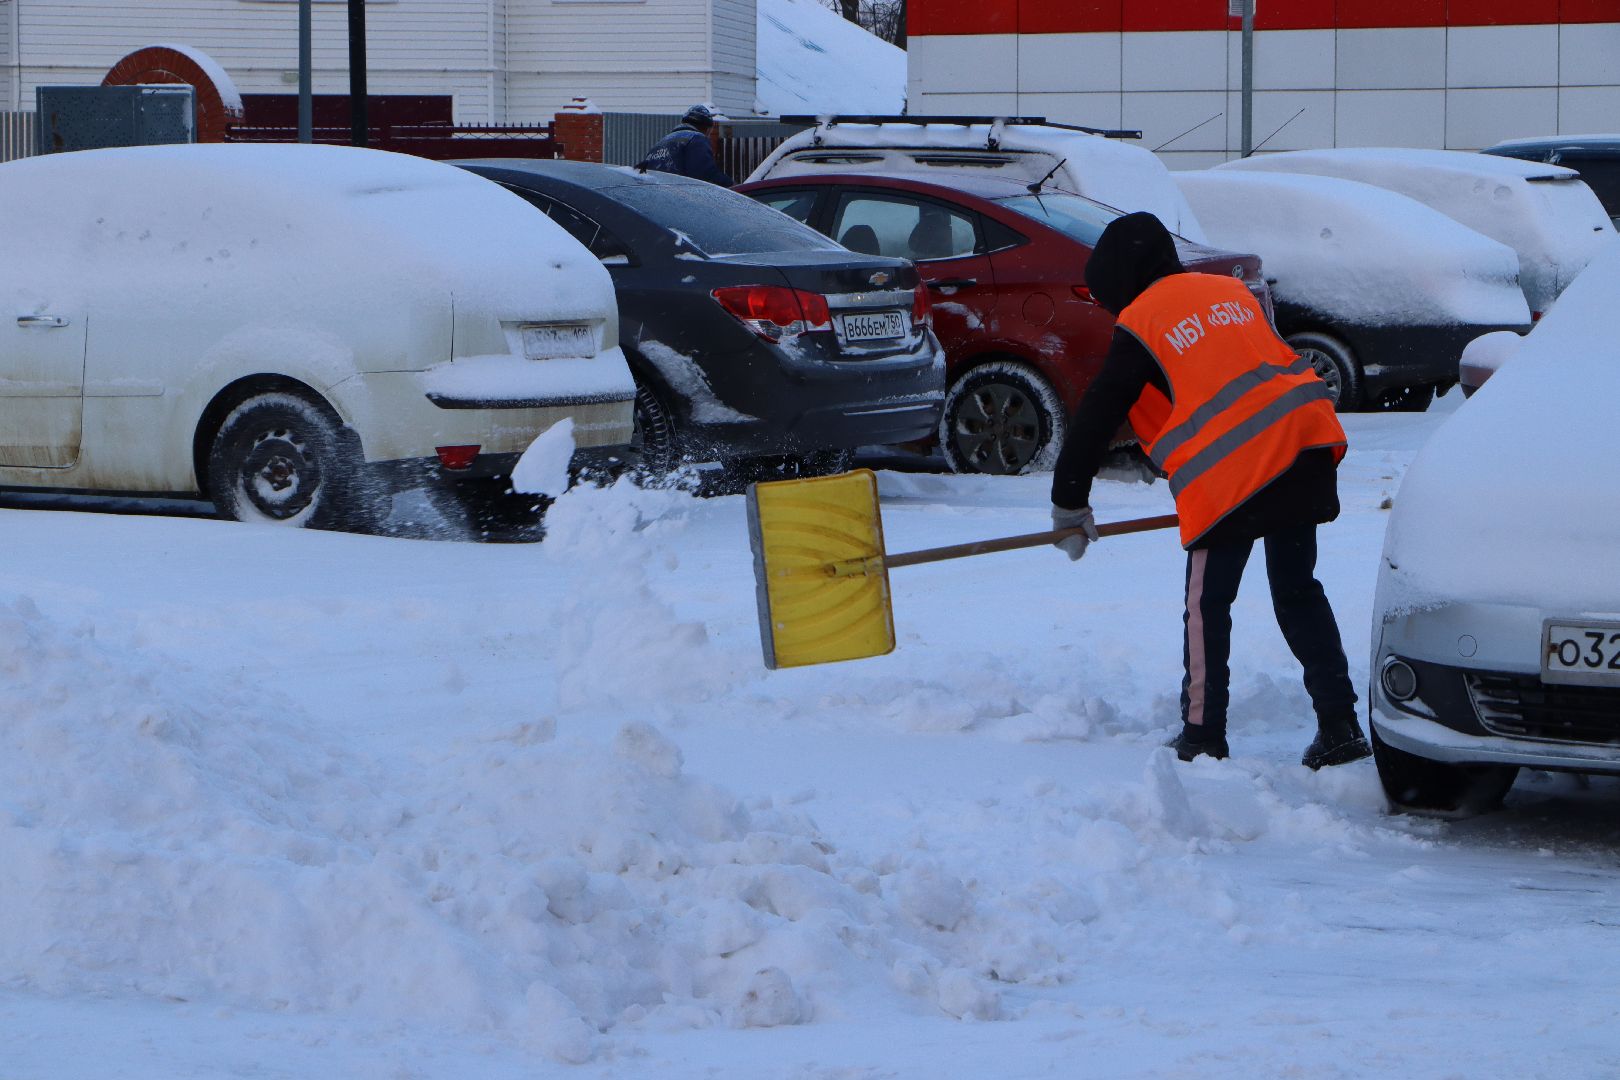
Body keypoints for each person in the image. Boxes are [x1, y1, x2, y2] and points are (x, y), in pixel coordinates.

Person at [1049, 211, 1371, 770]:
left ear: (1119, 283)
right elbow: (1222, 377)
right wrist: (1160, 457)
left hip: (1237, 476)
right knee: (1297, 589)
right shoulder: (1229, 291)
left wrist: (1068, 504)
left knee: (1206, 604)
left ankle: (1202, 735)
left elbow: (1098, 415)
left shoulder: (1142, 318)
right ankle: (1340, 727)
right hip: (1305, 443)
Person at [638, 104, 734, 187]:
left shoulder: (660, 143)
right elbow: (705, 173)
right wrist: (731, 185)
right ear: (707, 128)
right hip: (679, 198)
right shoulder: (696, 138)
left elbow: (643, 174)